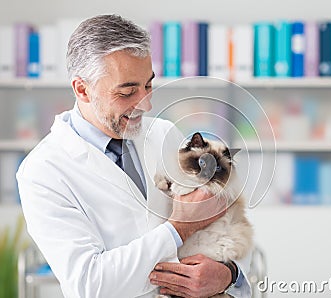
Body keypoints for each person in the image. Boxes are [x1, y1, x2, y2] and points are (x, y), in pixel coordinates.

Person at [16, 14, 251, 297]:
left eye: (148, 86)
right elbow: (89, 284)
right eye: (127, 92)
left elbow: (230, 224)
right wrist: (179, 228)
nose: (147, 104)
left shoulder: (164, 134)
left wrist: (229, 274)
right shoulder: (42, 171)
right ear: (82, 89)